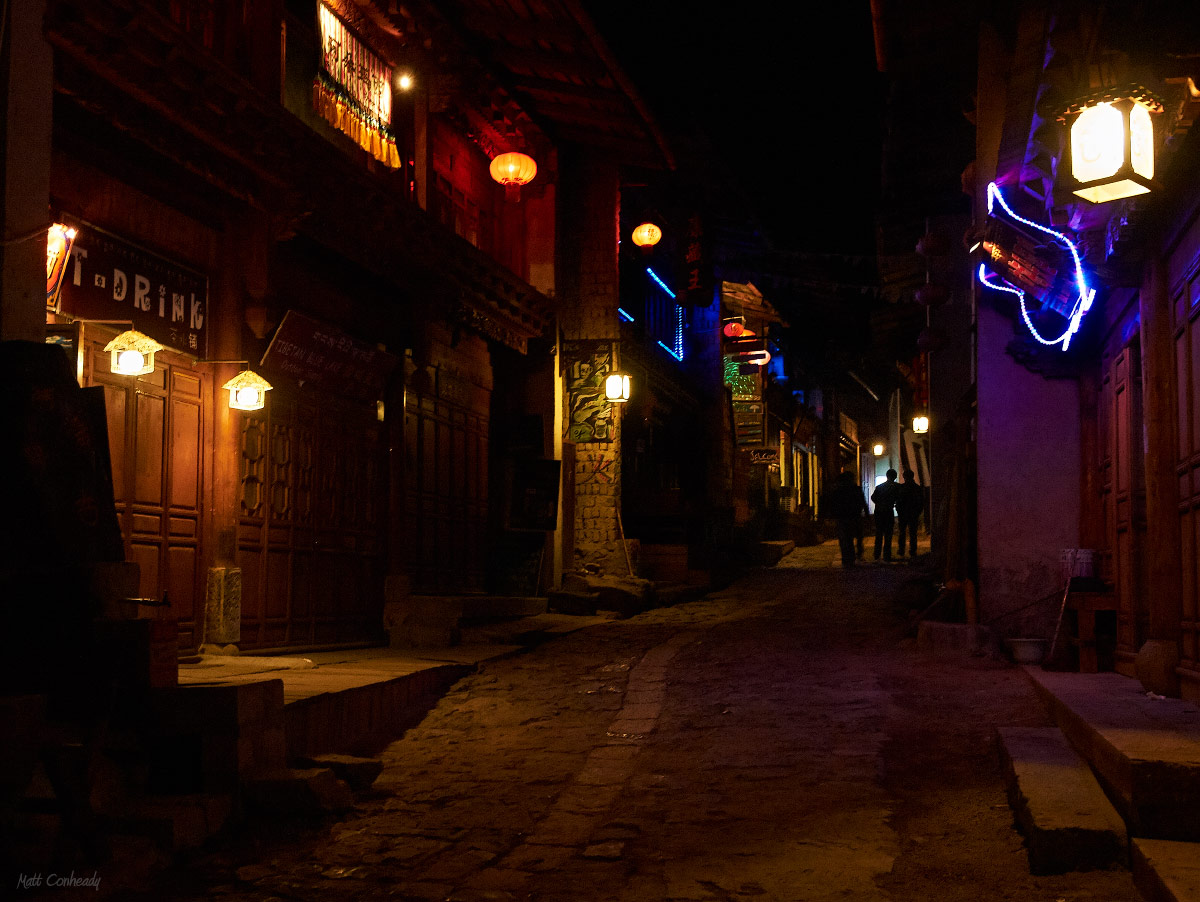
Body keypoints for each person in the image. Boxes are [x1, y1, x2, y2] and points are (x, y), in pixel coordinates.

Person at [828, 470, 868, 567]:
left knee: (845, 538)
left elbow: (833, 504)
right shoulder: (856, 489)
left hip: (842, 517)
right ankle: (856, 554)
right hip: (855, 516)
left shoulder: (838, 491)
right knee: (857, 536)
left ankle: (846, 557)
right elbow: (862, 502)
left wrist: (832, 516)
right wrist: (867, 515)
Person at [870, 468, 900, 562]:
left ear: (887, 476)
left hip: (879, 511)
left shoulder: (879, 487)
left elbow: (873, 497)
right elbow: (899, 498)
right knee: (888, 534)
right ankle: (887, 555)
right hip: (888, 511)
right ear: (895, 477)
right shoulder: (896, 486)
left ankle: (877, 555)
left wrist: (879, 503)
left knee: (879, 533)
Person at [896, 468, 924, 559]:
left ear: (904, 477)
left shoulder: (901, 487)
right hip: (913, 513)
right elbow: (921, 502)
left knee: (902, 532)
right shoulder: (917, 488)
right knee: (913, 533)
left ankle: (901, 550)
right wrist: (918, 511)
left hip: (903, 513)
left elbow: (898, 500)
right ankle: (913, 550)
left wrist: (898, 510)